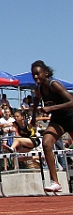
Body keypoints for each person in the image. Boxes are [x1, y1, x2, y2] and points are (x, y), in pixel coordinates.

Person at [31, 60, 73, 192]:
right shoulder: (38, 89)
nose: (36, 77)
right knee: (47, 143)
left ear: (46, 73)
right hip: (58, 120)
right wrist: (33, 118)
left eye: (38, 74)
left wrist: (52, 108)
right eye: (34, 75)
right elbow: (36, 101)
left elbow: (72, 101)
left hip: (71, 117)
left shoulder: (54, 85)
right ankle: (55, 182)